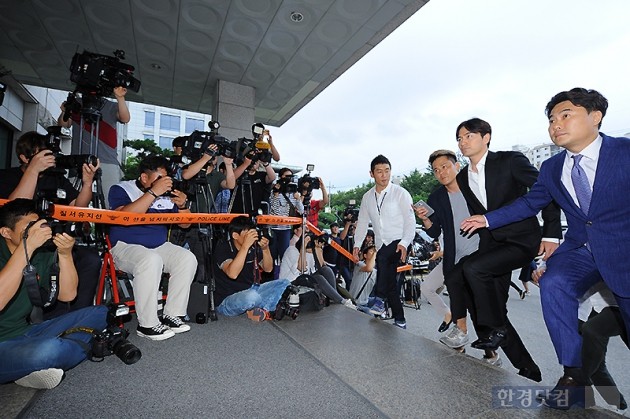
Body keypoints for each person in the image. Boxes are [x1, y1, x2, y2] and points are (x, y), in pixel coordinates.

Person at [461, 88, 630, 409]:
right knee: (554, 282)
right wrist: (487, 218)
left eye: (566, 115)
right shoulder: (553, 168)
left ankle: (612, 399)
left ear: (595, 117)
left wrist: (549, 237)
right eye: (552, 119)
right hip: (581, 250)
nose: (556, 124)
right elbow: (530, 202)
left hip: (624, 251)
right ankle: (574, 374)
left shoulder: (624, 152)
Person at [454, 117, 562, 353]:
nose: (463, 142)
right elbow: (480, 214)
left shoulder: (510, 161)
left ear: (486, 137)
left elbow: (545, 191)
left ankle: (496, 328)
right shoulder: (462, 177)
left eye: (469, 136)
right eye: (459, 139)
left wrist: (551, 234)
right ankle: (525, 366)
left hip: (523, 239)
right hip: (494, 244)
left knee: (473, 268)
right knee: (475, 279)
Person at [0, 199, 107, 389]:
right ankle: (78, 347)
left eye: (39, 225)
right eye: (29, 227)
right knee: (50, 350)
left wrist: (65, 254)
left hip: (27, 332)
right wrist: (27, 247)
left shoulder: (41, 253)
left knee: (100, 313)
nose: (38, 232)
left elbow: (67, 295)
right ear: (6, 232)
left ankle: (29, 366)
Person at [0, 131, 102, 319]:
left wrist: (87, 183)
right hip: (19, 243)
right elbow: (13, 211)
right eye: (41, 156)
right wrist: (33, 170)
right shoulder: (7, 176)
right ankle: (49, 319)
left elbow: (78, 208)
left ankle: (78, 318)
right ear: (24, 157)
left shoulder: (55, 178)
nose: (47, 161)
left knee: (91, 260)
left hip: (55, 240)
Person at [108, 155, 197, 341]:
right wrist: (153, 193)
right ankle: (147, 324)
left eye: (165, 179)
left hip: (158, 245)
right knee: (150, 259)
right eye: (158, 179)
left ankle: (173, 314)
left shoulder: (167, 196)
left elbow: (185, 225)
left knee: (187, 258)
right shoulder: (121, 188)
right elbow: (124, 217)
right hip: (125, 247)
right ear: (144, 178)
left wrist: (183, 206)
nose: (163, 184)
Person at [353, 155, 416, 329]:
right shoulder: (367, 197)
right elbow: (363, 222)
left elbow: (411, 221)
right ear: (371, 173)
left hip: (401, 241)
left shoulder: (401, 193)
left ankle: (379, 299)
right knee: (390, 282)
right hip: (382, 244)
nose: (384, 175)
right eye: (379, 171)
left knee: (381, 258)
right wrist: (357, 244)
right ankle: (400, 319)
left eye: (387, 171)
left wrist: (404, 242)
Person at [58, 86, 130, 201]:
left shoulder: (110, 105)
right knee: (74, 201)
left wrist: (120, 98)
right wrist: (65, 111)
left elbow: (125, 118)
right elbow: (63, 125)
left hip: (106, 161)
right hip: (79, 161)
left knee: (108, 202)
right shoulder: (76, 105)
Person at [214, 216, 291, 321]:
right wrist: (245, 246)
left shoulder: (253, 247)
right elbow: (232, 273)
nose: (251, 237)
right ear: (235, 235)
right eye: (247, 234)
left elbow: (268, 269)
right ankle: (264, 306)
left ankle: (264, 310)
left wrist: (265, 249)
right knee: (252, 297)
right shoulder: (223, 248)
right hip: (227, 299)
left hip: (251, 289)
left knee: (285, 283)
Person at [279, 234, 355, 309]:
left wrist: (318, 249)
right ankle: (341, 300)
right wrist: (303, 247)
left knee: (326, 270)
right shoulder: (292, 250)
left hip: (303, 278)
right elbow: (301, 269)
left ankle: (335, 296)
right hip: (290, 283)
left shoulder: (309, 253)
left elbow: (322, 266)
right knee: (318, 278)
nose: (312, 251)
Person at [268, 167, 304, 264]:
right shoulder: (274, 190)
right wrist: (275, 195)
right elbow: (274, 210)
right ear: (281, 177)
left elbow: (301, 211)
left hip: (286, 229)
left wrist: (298, 199)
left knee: (285, 255)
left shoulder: (294, 192)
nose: (288, 179)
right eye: (286, 176)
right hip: (273, 227)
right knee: (272, 254)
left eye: (290, 177)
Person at [348, 244, 377, 309]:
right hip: (356, 302)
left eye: (374, 251)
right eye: (371, 251)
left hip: (366, 301)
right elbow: (369, 268)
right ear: (365, 255)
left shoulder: (375, 271)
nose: (374, 252)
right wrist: (375, 253)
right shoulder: (359, 264)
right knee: (371, 316)